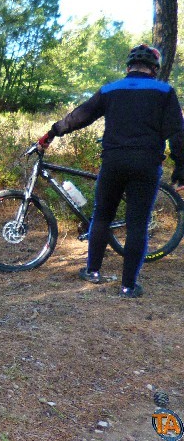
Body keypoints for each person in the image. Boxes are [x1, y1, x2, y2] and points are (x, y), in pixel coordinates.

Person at [36, 44, 184, 298]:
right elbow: (177, 134)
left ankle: (92, 270)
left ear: (128, 67)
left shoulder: (111, 90)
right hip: (146, 164)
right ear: (154, 69)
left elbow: (79, 117)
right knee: (137, 222)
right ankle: (128, 286)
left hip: (113, 161)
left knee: (102, 215)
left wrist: (52, 132)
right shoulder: (165, 91)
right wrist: (181, 167)